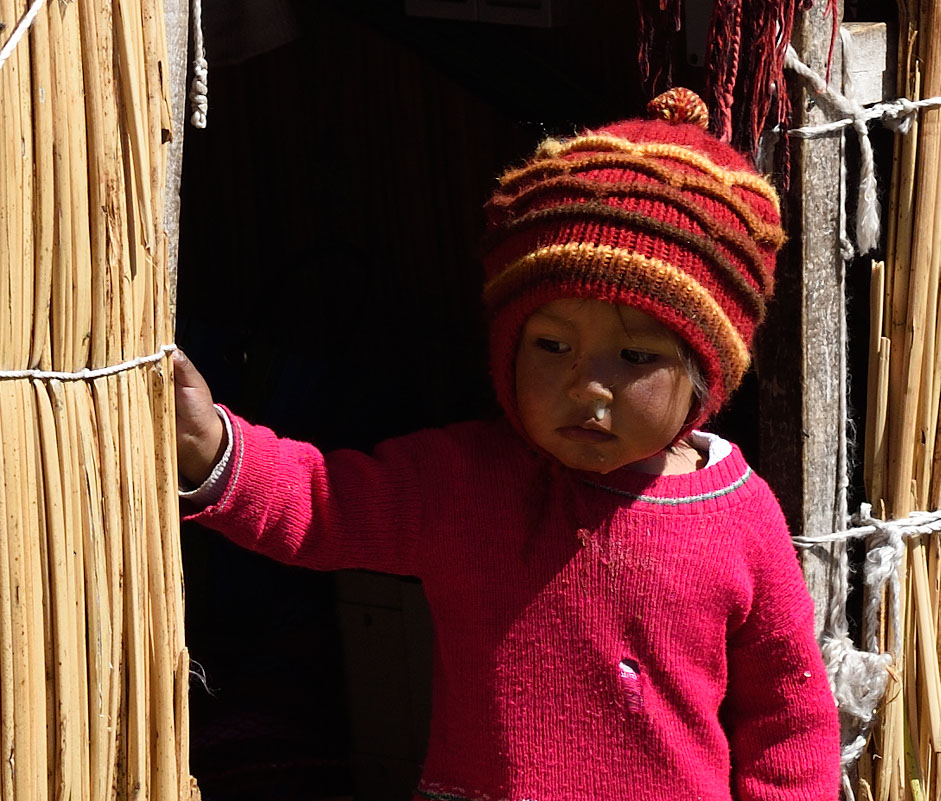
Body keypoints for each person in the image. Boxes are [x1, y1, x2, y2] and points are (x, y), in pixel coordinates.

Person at [176, 87, 841, 801]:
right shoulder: (464, 482)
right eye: (553, 345)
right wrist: (214, 447)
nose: (589, 387)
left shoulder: (740, 517)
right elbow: (321, 502)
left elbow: (789, 716)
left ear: (705, 374)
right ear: (506, 351)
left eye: (637, 358)